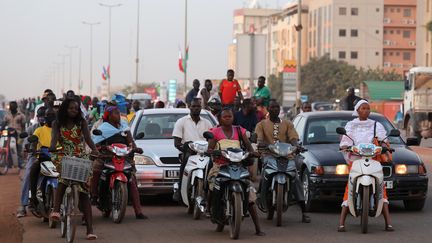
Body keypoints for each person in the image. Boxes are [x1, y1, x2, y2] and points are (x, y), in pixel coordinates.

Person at [338, 99, 393, 232]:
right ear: (357, 110)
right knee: (349, 187)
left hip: (373, 159)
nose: (366, 110)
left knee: (381, 187)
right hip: (356, 160)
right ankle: (341, 223)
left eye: (368, 108)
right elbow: (345, 140)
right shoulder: (350, 125)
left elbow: (383, 140)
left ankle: (388, 223)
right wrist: (346, 147)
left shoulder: (376, 124)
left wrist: (385, 146)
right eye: (363, 108)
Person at [207, 108, 264, 236]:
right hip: (220, 165)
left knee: (250, 195)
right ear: (220, 119)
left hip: (238, 165)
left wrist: (252, 152)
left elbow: (248, 146)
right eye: (225, 117)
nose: (227, 118)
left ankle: (258, 228)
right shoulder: (215, 132)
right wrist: (212, 151)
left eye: (230, 116)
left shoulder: (240, 130)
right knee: (213, 185)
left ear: (233, 117)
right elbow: (210, 148)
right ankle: (209, 209)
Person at [49, 98, 98, 240]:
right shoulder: (57, 123)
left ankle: (90, 230)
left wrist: (95, 150)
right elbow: (54, 139)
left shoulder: (81, 122)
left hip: (79, 155)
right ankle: (56, 210)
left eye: (76, 109)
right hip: (63, 154)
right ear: (65, 108)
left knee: (84, 194)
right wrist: (52, 146)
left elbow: (88, 139)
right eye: (71, 108)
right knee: (63, 180)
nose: (73, 111)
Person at [255, 99, 311, 223]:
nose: (275, 109)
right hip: (268, 155)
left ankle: (304, 211)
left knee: (295, 178)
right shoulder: (261, 124)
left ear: (279, 109)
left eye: (277, 107)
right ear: (268, 109)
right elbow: (258, 138)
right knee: (264, 173)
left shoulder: (287, 123)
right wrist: (260, 143)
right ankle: (262, 196)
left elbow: (293, 138)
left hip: (286, 156)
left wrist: (296, 145)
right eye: (272, 107)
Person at [91, 105, 147, 219]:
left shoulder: (124, 128)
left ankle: (138, 211)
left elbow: (130, 142)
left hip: (124, 157)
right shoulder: (103, 128)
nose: (118, 115)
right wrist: (99, 150)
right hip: (106, 156)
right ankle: (94, 196)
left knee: (132, 181)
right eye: (115, 113)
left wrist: (135, 148)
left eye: (118, 112)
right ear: (109, 116)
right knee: (96, 170)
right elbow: (96, 143)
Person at [172, 98, 213, 201]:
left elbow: (213, 139)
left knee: (212, 166)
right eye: (193, 106)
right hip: (188, 151)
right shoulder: (181, 122)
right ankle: (180, 188)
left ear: (201, 107)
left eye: (198, 106)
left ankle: (211, 193)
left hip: (204, 152)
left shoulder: (207, 123)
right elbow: (177, 143)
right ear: (189, 107)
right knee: (185, 160)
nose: (196, 108)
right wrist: (186, 149)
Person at [16, 106, 47, 217]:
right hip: (35, 156)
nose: (43, 119)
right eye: (41, 116)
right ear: (37, 117)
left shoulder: (54, 128)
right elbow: (26, 142)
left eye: (45, 116)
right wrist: (27, 147)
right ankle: (23, 205)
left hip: (51, 157)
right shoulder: (32, 128)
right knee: (28, 175)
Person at [28, 108, 56, 213]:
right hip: (43, 159)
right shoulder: (39, 130)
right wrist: (34, 150)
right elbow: (34, 143)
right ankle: (33, 197)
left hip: (57, 160)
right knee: (33, 170)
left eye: (53, 115)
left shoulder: (59, 130)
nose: (51, 117)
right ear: (44, 117)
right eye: (48, 115)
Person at [4, 101, 26, 169]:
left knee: (19, 147)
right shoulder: (7, 115)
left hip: (18, 134)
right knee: (5, 145)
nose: (12, 107)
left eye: (13, 106)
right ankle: (7, 162)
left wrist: (23, 133)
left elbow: (23, 126)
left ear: (16, 107)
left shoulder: (21, 115)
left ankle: (21, 162)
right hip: (8, 133)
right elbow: (4, 123)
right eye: (11, 106)